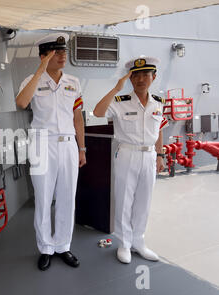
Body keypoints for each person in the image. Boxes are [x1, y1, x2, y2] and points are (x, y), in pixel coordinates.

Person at [16, 33, 86, 271]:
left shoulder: (74, 82)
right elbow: (22, 103)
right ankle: (46, 247)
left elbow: (78, 117)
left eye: (63, 51)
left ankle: (63, 245)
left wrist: (82, 148)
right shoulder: (31, 80)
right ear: (44, 56)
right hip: (42, 144)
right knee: (44, 198)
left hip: (68, 144)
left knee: (68, 197)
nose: (63, 55)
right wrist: (40, 70)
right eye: (57, 52)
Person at [93, 56, 168, 264]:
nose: (141, 79)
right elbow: (98, 112)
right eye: (136, 75)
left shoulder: (158, 103)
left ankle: (139, 242)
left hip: (150, 155)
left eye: (146, 74)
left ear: (154, 77)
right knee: (124, 200)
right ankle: (124, 243)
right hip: (127, 153)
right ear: (131, 79)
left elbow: (159, 129)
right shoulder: (120, 102)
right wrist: (116, 88)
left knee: (144, 201)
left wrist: (160, 155)